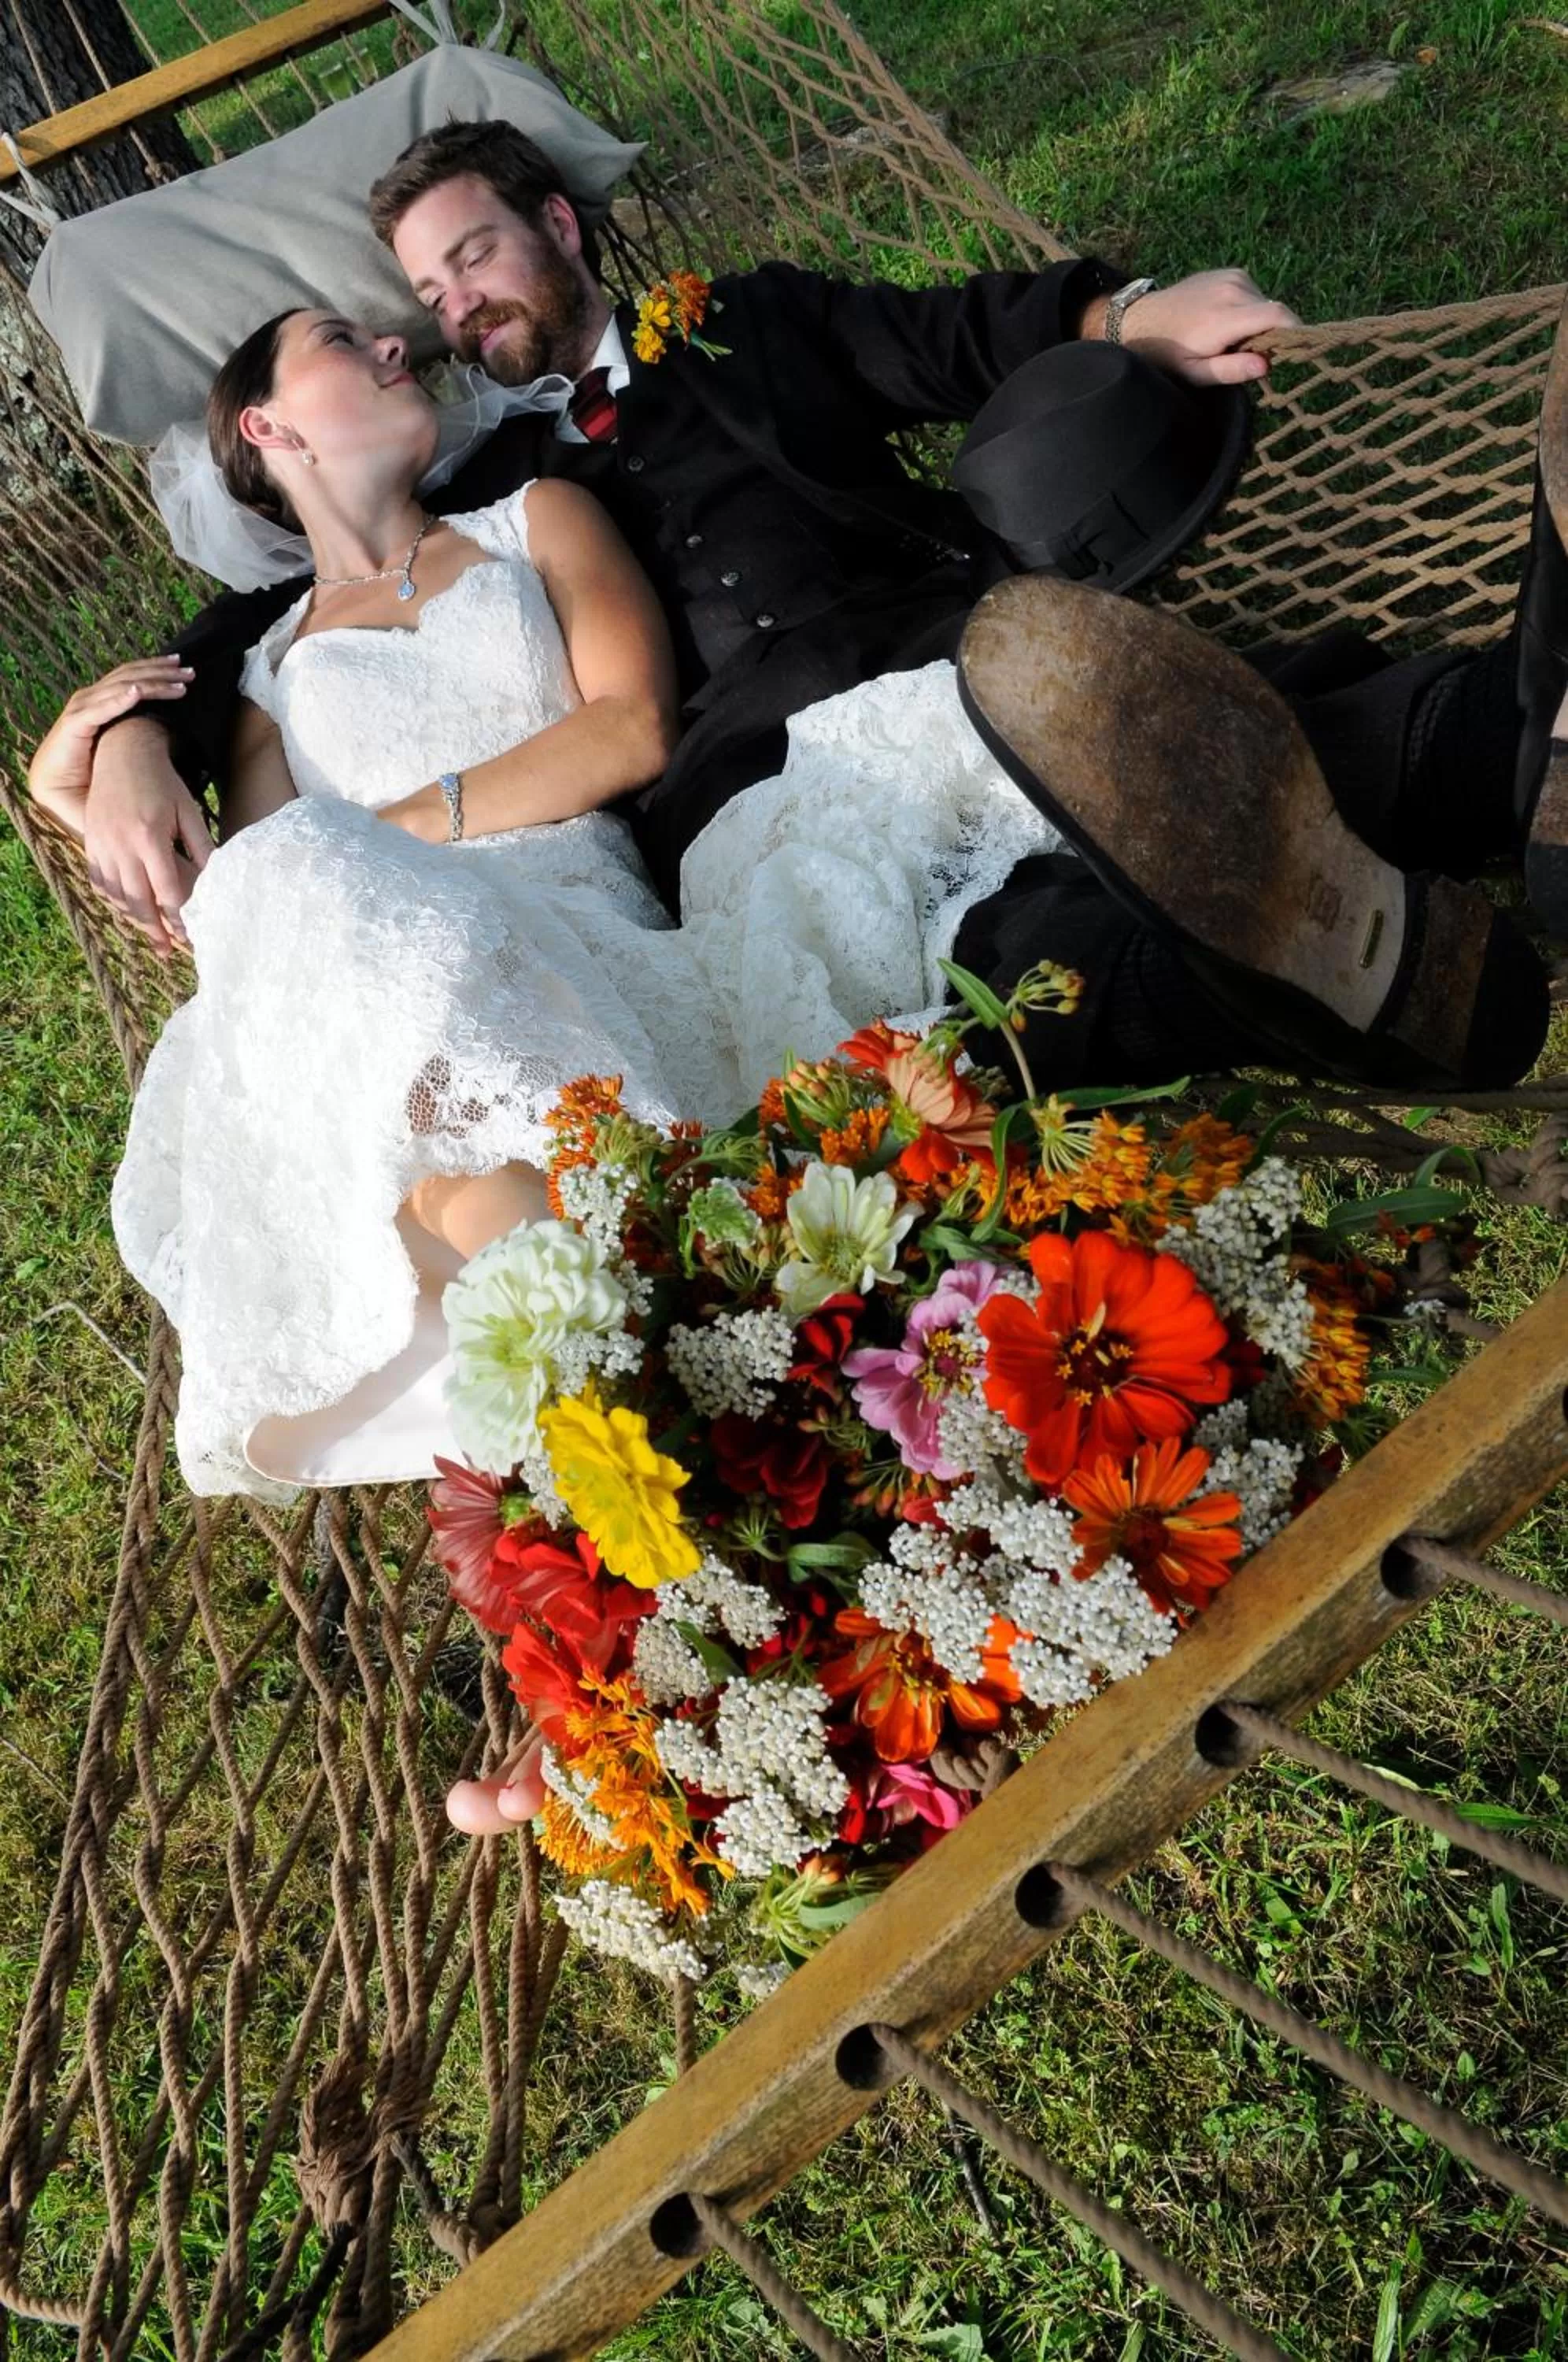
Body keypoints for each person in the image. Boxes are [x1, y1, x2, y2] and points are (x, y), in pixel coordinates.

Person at [39, 118, 1562, 1085]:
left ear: (560, 229)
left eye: (475, 257)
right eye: (430, 300)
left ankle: (1528, 738)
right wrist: (127, 740)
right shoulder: (487, 485)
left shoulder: (747, 327)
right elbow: (286, 619)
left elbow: (949, 336)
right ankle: (1330, 964)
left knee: (1253, 732)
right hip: (753, 779)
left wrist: (1128, 315)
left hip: (957, 660)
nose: (455, 312)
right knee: (992, 956)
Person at [26, 305, 1071, 1498]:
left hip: (571, 924)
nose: (391, 346)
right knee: (346, 963)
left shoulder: (535, 520)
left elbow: (626, 730)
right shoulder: (268, 672)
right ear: (265, 425)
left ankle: (617, 1387)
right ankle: (609, 1369)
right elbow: (263, 921)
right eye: (341, 341)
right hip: (386, 985)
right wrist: (91, 777)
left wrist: (390, 837)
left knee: (341, 896)